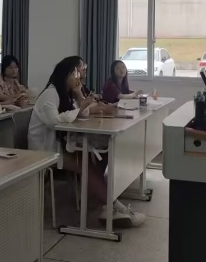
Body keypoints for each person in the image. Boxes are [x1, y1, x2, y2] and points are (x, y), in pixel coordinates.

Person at [28, 56, 145, 227]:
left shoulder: (66, 93)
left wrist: (78, 95)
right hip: (46, 150)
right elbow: (54, 121)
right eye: (77, 72)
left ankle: (103, 202)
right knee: (87, 166)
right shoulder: (50, 94)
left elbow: (82, 113)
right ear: (67, 74)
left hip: (63, 145)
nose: (81, 75)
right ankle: (111, 206)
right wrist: (81, 106)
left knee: (99, 157)